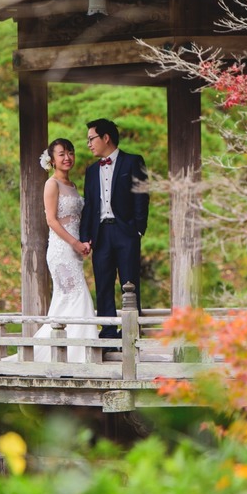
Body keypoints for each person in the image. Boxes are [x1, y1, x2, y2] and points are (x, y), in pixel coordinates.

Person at [79, 118, 149, 337]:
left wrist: (138, 229)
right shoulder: (91, 171)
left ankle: (132, 331)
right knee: (103, 283)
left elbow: (142, 196)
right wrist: (86, 236)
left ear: (106, 137)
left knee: (130, 283)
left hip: (126, 232)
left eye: (91, 139)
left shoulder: (133, 161)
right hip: (101, 233)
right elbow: (89, 205)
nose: (89, 144)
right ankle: (108, 331)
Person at [34, 138, 98, 362]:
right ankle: (76, 354)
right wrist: (75, 243)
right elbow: (51, 220)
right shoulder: (51, 184)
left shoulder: (72, 185)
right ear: (52, 160)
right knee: (76, 296)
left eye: (70, 152)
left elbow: (77, 219)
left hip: (75, 248)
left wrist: (85, 242)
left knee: (67, 300)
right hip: (61, 250)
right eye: (61, 154)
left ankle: (66, 351)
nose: (67, 157)